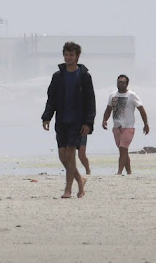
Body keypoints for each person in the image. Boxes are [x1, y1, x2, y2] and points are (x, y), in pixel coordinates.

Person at [42, 41, 96, 199]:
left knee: (71, 154)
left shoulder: (84, 76)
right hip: (61, 120)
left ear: (77, 56)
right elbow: (51, 99)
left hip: (77, 122)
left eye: (71, 55)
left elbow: (90, 101)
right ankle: (80, 180)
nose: (68, 57)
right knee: (62, 156)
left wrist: (88, 123)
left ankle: (68, 190)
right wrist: (47, 117)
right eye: (66, 54)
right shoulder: (58, 76)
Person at [101, 75, 149, 175]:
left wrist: (146, 124)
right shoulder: (113, 95)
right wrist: (105, 120)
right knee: (123, 151)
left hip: (128, 127)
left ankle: (119, 172)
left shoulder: (132, 95)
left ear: (127, 84)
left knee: (123, 148)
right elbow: (108, 109)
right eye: (119, 82)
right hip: (116, 128)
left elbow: (141, 110)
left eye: (123, 82)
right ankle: (129, 172)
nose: (120, 84)